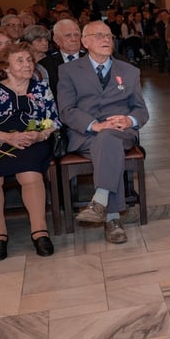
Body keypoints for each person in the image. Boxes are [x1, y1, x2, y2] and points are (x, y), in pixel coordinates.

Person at [57, 21, 149, 244]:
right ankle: (112, 217)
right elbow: (66, 110)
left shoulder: (129, 71)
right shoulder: (68, 71)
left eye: (109, 35)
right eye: (99, 35)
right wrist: (94, 125)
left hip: (120, 132)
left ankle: (100, 201)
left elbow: (141, 110)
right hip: (85, 135)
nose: (106, 39)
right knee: (108, 143)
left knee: (109, 138)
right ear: (85, 42)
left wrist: (128, 120)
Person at [0, 42, 61, 260]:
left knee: (29, 172)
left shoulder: (41, 88)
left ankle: (39, 232)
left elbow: (53, 120)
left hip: (33, 141)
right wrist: (8, 137)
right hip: (2, 141)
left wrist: (39, 135)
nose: (27, 64)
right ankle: (0, 234)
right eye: (20, 61)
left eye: (29, 60)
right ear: (6, 67)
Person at [40, 18, 85, 98]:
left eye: (76, 35)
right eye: (68, 35)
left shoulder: (93, 59)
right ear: (56, 40)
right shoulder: (45, 64)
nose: (74, 39)